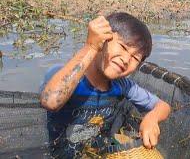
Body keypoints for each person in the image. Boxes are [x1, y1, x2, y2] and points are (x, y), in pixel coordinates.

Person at [39, 12, 171, 158]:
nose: (126, 59)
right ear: (103, 40)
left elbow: (163, 106)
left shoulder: (123, 85)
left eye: (135, 58)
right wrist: (91, 46)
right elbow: (50, 101)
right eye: (123, 46)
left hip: (101, 153)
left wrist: (152, 118)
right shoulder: (64, 75)